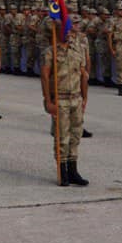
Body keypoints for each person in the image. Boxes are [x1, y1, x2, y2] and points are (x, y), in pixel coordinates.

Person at [41, 22, 89, 187]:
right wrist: (48, 101)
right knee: (62, 136)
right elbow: (45, 77)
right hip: (60, 98)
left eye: (70, 30)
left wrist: (85, 98)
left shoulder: (78, 51)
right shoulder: (51, 52)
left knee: (76, 135)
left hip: (76, 98)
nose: (69, 33)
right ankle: (63, 172)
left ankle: (73, 169)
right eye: (65, 31)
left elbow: (83, 75)